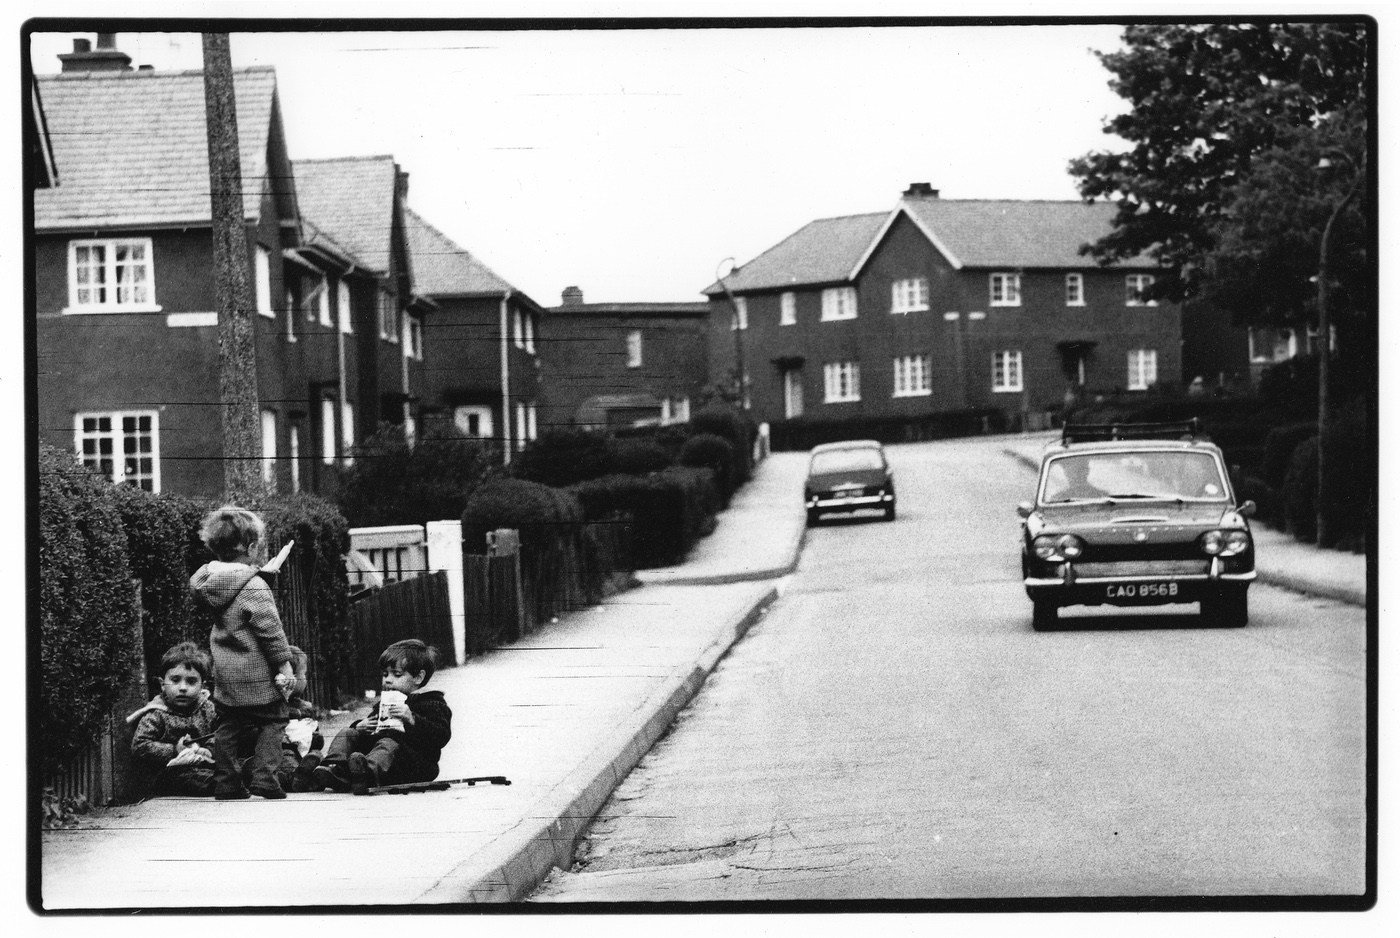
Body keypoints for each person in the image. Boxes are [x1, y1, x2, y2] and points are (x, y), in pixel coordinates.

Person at [190, 506, 296, 800]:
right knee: (273, 720)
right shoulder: (255, 584)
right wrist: (284, 666)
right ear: (250, 547)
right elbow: (270, 631)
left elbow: (234, 609)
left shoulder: (208, 582)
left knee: (228, 725)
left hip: (225, 673)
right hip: (257, 674)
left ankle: (227, 783)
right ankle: (265, 777)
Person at [312, 639, 452, 796]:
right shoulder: (383, 703)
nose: (388, 679)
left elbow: (442, 736)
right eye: (385, 674)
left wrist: (412, 719)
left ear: (418, 677)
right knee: (349, 732)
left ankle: (366, 774)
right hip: (380, 759)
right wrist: (361, 726)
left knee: (388, 743)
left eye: (396, 674)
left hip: (413, 765)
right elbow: (371, 728)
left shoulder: (432, 703)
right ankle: (335, 769)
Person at [129, 642, 218, 797]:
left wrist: (209, 749)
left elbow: (219, 732)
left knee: (236, 765)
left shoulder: (207, 708)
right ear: (162, 684)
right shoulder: (157, 713)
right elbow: (140, 746)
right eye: (175, 680)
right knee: (186, 779)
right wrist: (173, 749)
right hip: (170, 772)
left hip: (206, 764)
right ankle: (220, 783)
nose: (183, 687)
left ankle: (245, 775)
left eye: (191, 681)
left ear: (202, 685)